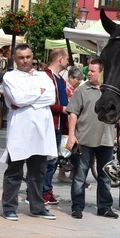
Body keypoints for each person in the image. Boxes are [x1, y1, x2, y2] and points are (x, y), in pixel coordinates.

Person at [0, 44, 57, 221]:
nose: (25, 61)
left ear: (33, 57)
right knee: (14, 172)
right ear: (15, 59)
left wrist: (28, 98)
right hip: (20, 129)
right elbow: (16, 99)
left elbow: (51, 97)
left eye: (28, 57)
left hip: (40, 132)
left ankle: (37, 206)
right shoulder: (10, 76)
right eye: (21, 57)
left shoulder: (43, 76)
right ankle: (9, 207)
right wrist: (37, 93)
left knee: (37, 172)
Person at [66, 58, 120, 219]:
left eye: (92, 71)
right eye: (89, 70)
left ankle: (104, 207)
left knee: (105, 176)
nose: (89, 73)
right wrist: (72, 136)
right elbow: (73, 114)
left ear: (102, 72)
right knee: (80, 176)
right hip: (84, 140)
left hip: (105, 141)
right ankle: (77, 207)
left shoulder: (111, 91)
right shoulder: (81, 90)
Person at [41, 49, 70, 205]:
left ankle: (47, 190)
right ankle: (42, 191)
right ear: (60, 59)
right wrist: (63, 109)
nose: (68, 62)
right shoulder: (46, 76)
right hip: (50, 123)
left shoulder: (60, 79)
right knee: (47, 160)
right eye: (66, 59)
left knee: (53, 160)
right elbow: (43, 100)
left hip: (59, 124)